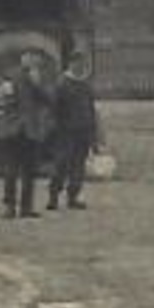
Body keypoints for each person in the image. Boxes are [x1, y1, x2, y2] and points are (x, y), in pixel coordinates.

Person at [0, 51, 56, 220]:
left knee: (27, 170)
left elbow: (48, 100)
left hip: (26, 131)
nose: (33, 61)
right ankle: (12, 207)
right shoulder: (9, 76)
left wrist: (37, 84)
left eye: (35, 59)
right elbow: (4, 100)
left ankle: (24, 207)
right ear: (23, 58)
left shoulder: (37, 78)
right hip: (15, 130)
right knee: (13, 170)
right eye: (30, 57)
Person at [48, 51, 98, 211]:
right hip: (66, 132)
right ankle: (53, 196)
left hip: (83, 132)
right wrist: (57, 128)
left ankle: (73, 196)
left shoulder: (85, 85)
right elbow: (54, 109)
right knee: (61, 164)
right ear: (71, 64)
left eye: (82, 64)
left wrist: (93, 134)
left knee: (78, 166)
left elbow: (91, 110)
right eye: (78, 64)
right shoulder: (62, 84)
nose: (80, 67)